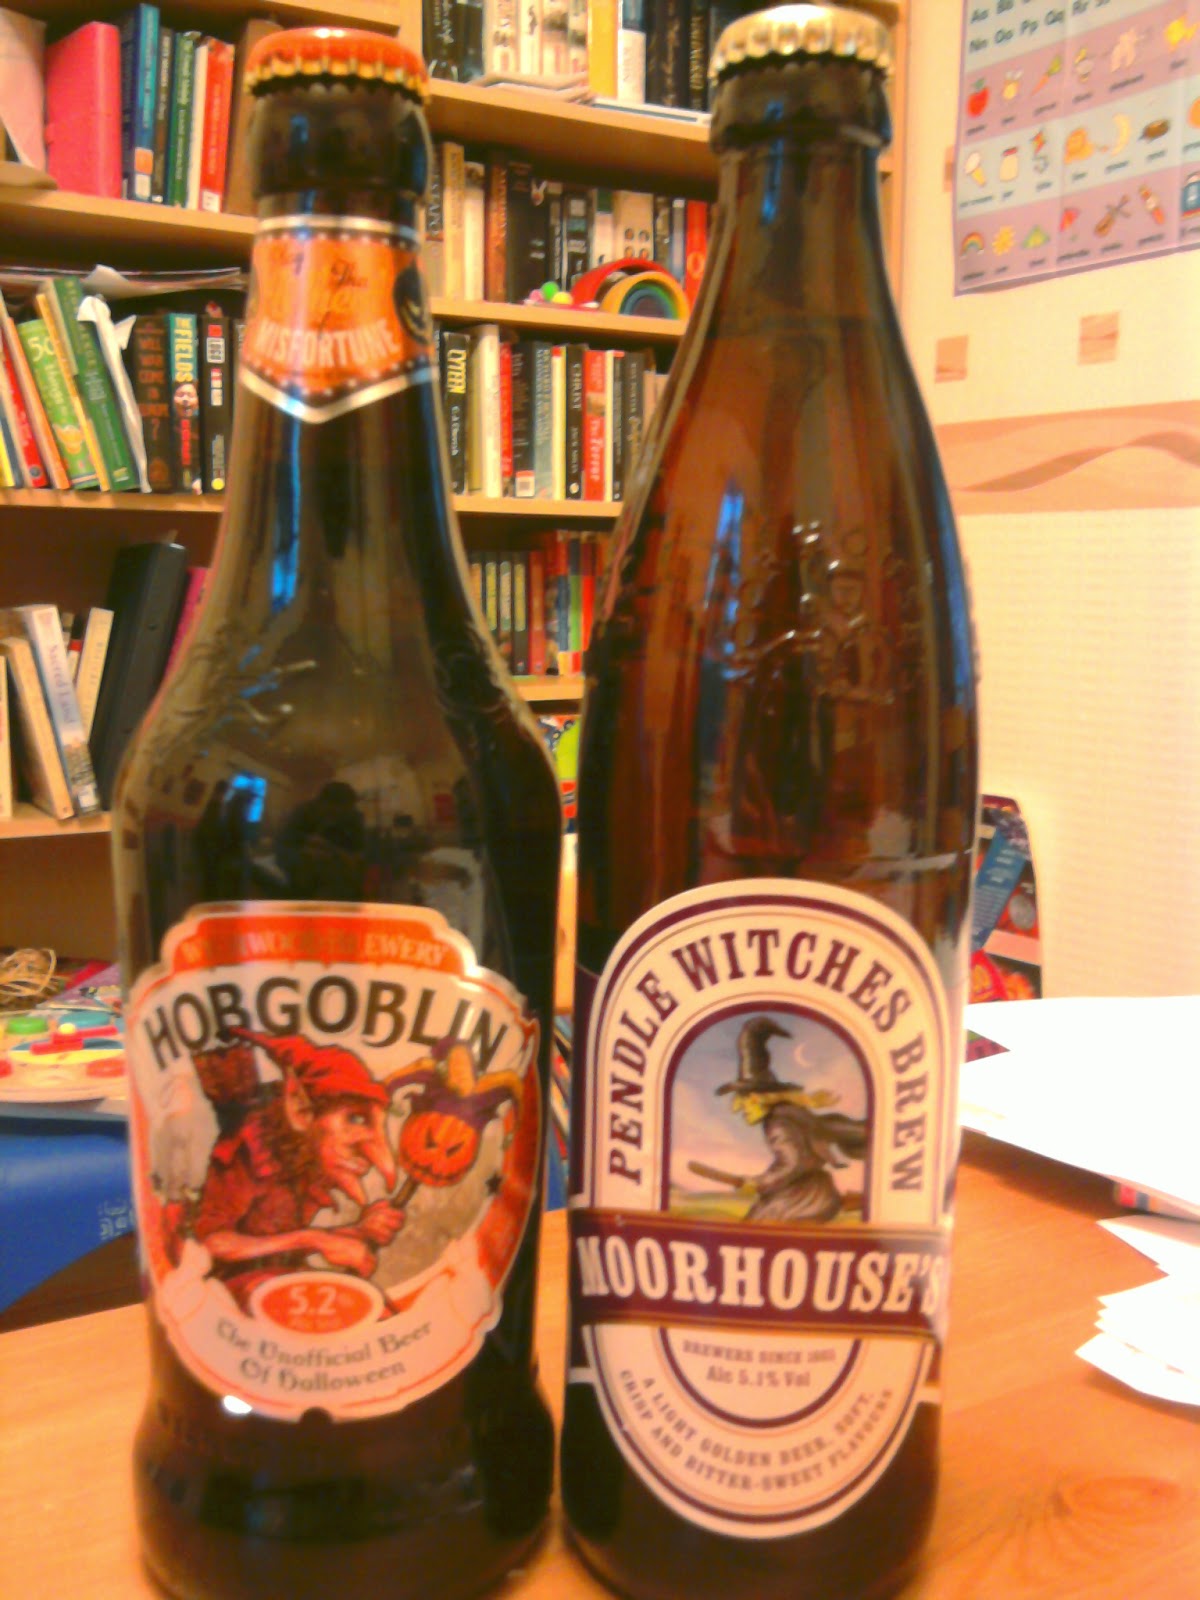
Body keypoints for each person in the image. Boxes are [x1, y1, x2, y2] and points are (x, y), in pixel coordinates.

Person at [717, 1017, 867, 1223]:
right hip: (811, 1194)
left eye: (746, 1100)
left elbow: (792, 1163)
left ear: (762, 1098)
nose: (742, 1108)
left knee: (755, 1229)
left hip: (799, 1200)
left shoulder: (778, 1124)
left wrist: (758, 1183)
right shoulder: (789, 1114)